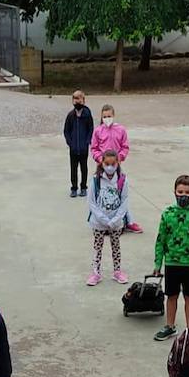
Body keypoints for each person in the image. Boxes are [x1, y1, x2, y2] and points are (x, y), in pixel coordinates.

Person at [153, 174, 189, 342]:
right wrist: (158, 262)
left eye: (187, 192)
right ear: (174, 191)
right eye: (180, 191)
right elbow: (160, 239)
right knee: (171, 296)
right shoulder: (167, 213)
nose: (183, 195)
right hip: (172, 262)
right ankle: (170, 326)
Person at [90, 103, 142, 233]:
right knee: (99, 193)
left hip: (116, 166)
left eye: (109, 116)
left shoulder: (121, 130)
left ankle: (128, 221)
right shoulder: (98, 131)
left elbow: (125, 147)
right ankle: (98, 220)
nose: (107, 118)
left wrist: (120, 157)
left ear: (113, 115)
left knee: (120, 193)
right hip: (102, 166)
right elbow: (94, 148)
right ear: (101, 117)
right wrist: (100, 159)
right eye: (105, 116)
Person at [86, 151, 129, 287]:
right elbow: (91, 201)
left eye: (113, 164)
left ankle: (117, 271)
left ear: (118, 163)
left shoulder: (122, 179)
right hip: (99, 222)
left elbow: (124, 201)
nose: (110, 167)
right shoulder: (95, 179)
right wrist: (103, 219)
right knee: (97, 247)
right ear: (102, 163)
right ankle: (95, 272)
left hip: (116, 223)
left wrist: (116, 219)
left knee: (116, 246)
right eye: (107, 164)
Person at [63, 90, 94, 198]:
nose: (77, 101)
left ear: (83, 100)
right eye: (75, 99)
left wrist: (88, 141)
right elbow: (66, 130)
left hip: (83, 148)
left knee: (84, 168)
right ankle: (74, 188)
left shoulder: (87, 114)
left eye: (79, 98)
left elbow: (91, 128)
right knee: (73, 169)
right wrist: (69, 142)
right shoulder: (70, 115)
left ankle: (84, 187)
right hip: (73, 148)